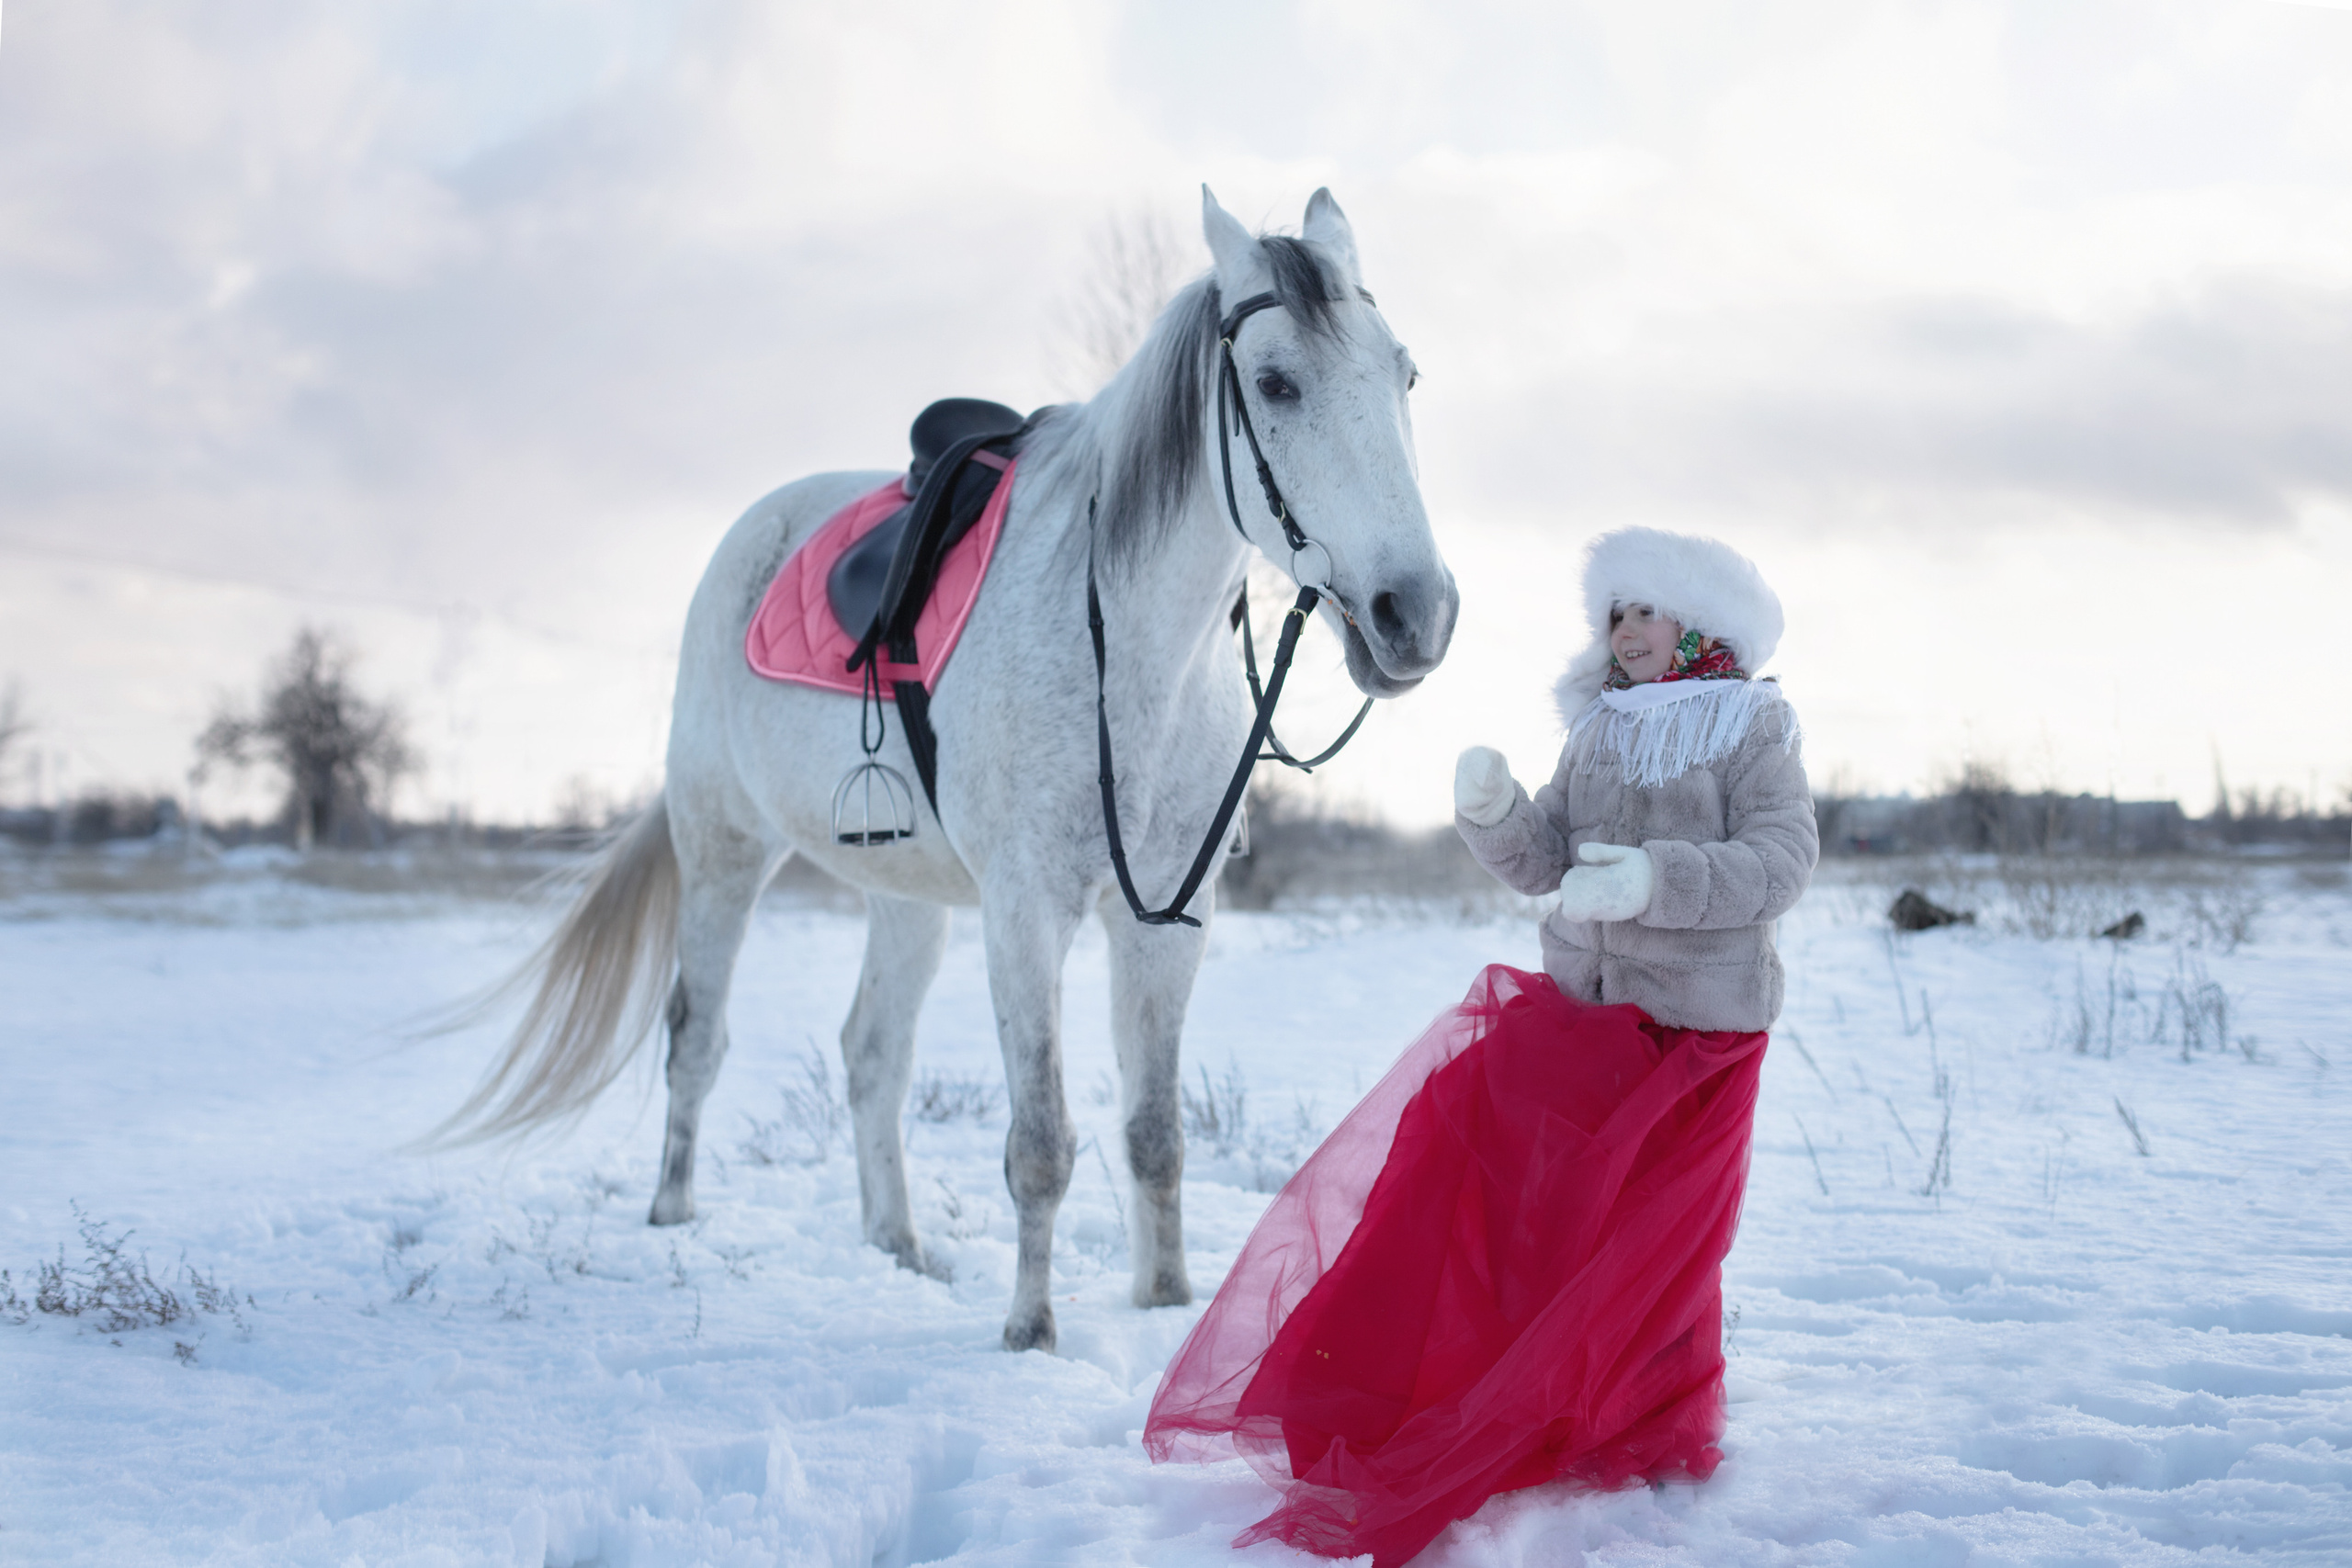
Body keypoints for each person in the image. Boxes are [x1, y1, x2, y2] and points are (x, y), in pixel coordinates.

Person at [1143, 527, 1818, 1566]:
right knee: (1494, 1192)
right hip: (1583, 1016)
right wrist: (1495, 815)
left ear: (1700, 627)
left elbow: (1778, 862)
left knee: (1653, 1247)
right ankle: (1454, 1386)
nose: (1624, 632)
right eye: (1613, 615)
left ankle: (1636, 1419)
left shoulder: (1752, 725)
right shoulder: (1596, 727)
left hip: (1697, 1033)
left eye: (1645, 612)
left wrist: (1652, 880)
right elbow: (1546, 857)